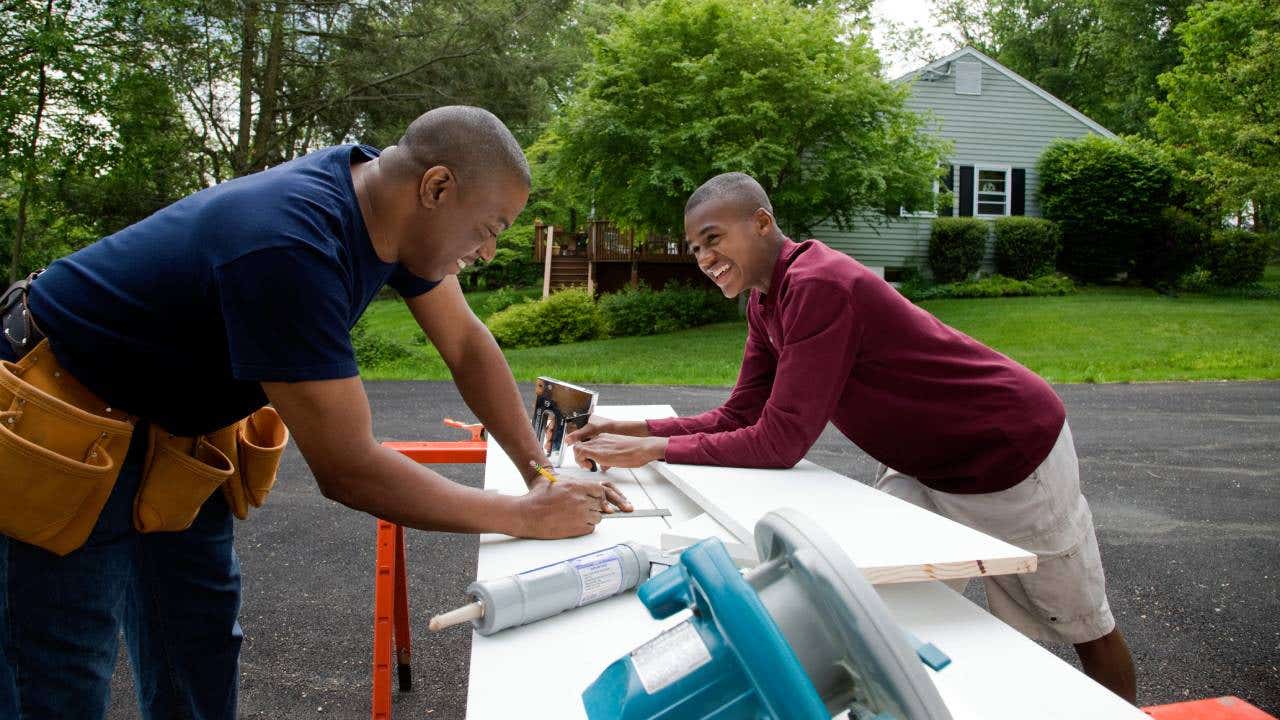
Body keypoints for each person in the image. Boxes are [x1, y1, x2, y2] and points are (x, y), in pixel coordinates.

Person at [0, 105, 630, 720]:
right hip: (62, 420)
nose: (490, 251)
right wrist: (525, 517)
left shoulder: (388, 210)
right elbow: (349, 467)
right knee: (58, 671)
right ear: (437, 186)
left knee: (196, 642)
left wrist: (538, 473)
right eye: (490, 227)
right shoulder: (287, 245)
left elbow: (466, 345)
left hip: (171, 433)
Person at [567, 172, 1136, 702]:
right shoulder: (767, 303)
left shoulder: (820, 285)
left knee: (1081, 621)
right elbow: (743, 413)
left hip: (1006, 451)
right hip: (925, 465)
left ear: (762, 223)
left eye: (713, 239)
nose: (704, 258)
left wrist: (659, 448)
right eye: (695, 248)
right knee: (864, 596)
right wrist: (635, 428)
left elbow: (780, 441)